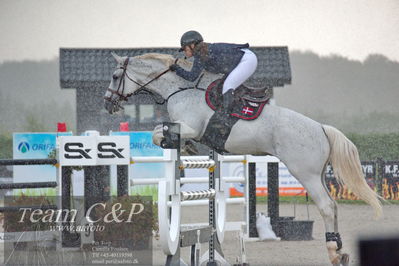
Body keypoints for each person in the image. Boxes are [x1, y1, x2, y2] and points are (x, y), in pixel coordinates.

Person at [169, 30, 258, 112]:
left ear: (192, 45)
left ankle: (226, 116)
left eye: (185, 49)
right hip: (245, 58)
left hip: (246, 60)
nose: (185, 52)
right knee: (223, 86)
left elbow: (191, 77)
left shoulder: (200, 54)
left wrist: (177, 69)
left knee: (228, 86)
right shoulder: (204, 51)